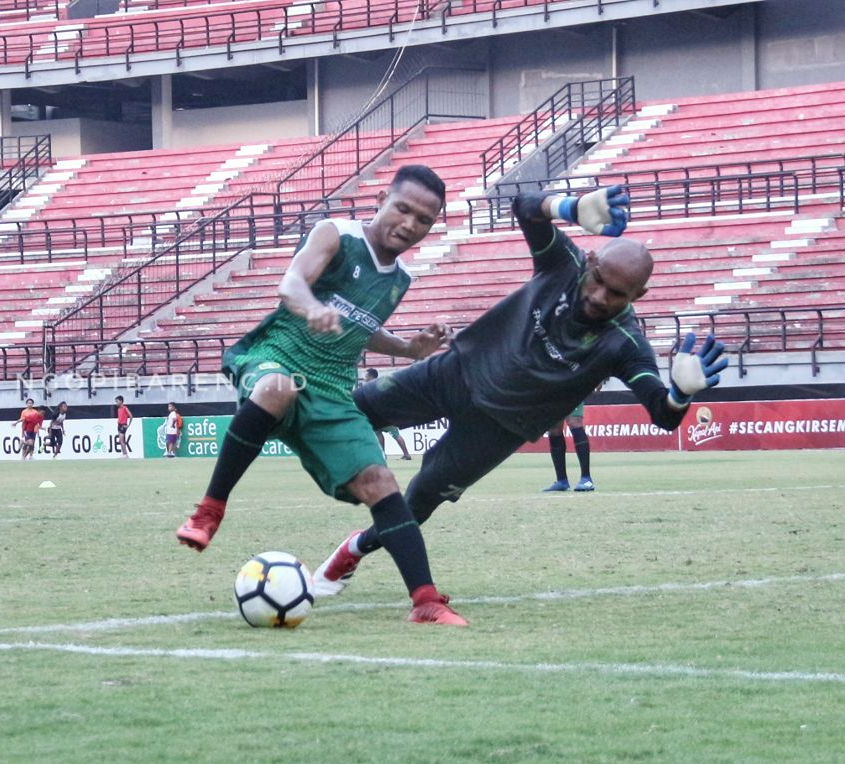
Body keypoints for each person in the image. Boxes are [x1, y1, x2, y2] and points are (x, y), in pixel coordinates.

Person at [309, 185, 727, 604]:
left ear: (639, 297)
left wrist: (680, 393)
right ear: (592, 260)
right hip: (456, 372)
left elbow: (663, 413)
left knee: (418, 502)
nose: (600, 297)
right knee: (345, 411)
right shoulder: (564, 264)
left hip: (496, 430)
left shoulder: (624, 342)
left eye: (617, 294)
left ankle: (353, 551)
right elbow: (524, 207)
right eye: (598, 281)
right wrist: (570, 207)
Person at [175, 165, 465, 626]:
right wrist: (311, 307)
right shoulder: (336, 234)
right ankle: (210, 511)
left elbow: (362, 329)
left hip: (332, 389)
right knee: (279, 387)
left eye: (424, 220)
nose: (410, 224)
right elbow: (290, 283)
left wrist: (409, 348)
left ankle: (426, 601)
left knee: (381, 485)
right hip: (277, 355)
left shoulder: (399, 280)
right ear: (383, 202)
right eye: (403, 209)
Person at [542, 383, 603, 492]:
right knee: (554, 428)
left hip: (573, 381)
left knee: (574, 421)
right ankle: (561, 481)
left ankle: (586, 478)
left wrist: (599, 377)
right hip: (551, 383)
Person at [359, 368, 412, 461]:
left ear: (371, 376)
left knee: (383, 434)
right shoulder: (382, 384)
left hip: (378, 415)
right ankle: (403, 454)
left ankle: (385, 455)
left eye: (366, 375)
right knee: (392, 434)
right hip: (386, 415)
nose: (364, 377)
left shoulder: (368, 388)